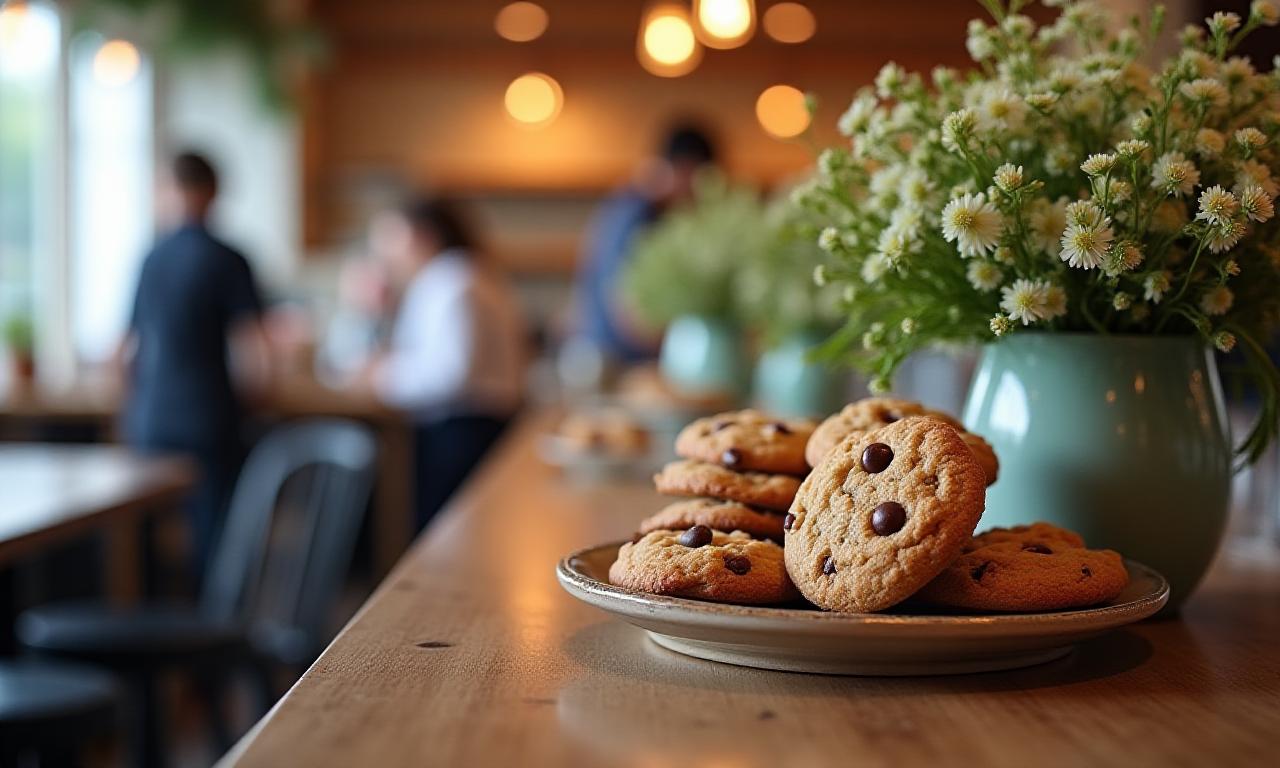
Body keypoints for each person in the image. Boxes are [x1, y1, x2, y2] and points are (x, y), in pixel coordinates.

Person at [120, 151, 270, 584]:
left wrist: (128, 407)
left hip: (151, 414)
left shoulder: (151, 257)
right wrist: (260, 396)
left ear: (167, 192)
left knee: (146, 530)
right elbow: (252, 346)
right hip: (208, 411)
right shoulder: (227, 257)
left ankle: (148, 623)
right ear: (213, 192)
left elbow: (127, 348)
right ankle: (210, 623)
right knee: (212, 528)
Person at [361, 196, 526, 530]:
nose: (385, 252)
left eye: (393, 236)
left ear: (423, 235)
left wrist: (382, 377)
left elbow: (451, 373)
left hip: (463, 430)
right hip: (474, 425)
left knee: (449, 534)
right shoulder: (462, 276)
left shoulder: (452, 282)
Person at [574, 122, 719, 363]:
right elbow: (625, 309)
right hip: (609, 361)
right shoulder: (633, 213)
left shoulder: (642, 211)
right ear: (684, 169)